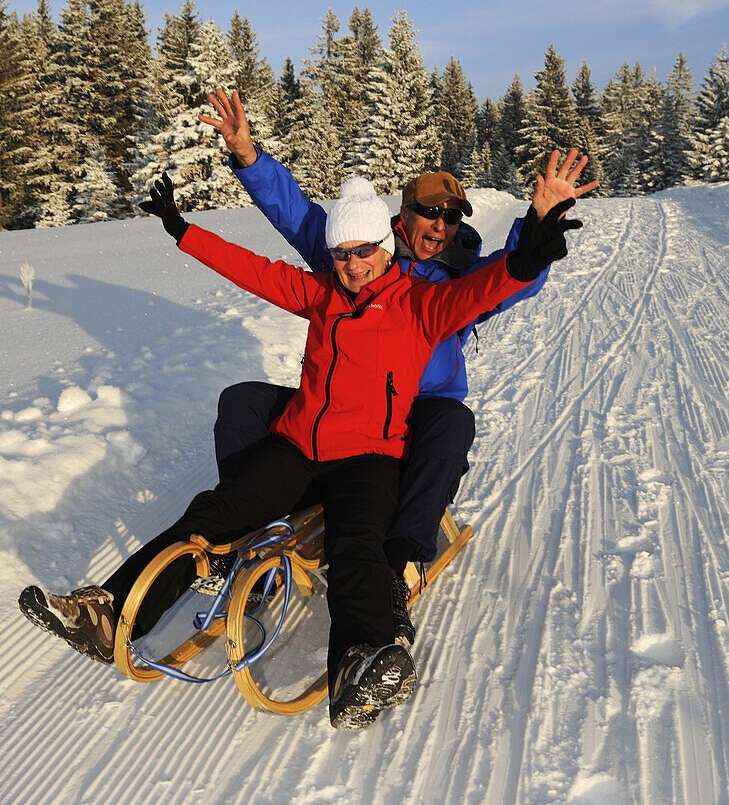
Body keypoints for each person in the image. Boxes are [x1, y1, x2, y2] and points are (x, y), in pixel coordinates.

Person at [18, 168, 585, 730]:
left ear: (385, 247)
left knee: (358, 546)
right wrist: (182, 231)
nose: (354, 265)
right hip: (298, 449)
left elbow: (486, 287)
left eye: (364, 251)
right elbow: (254, 271)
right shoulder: (321, 295)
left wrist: (529, 252)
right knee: (212, 514)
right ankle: (109, 611)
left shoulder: (421, 304)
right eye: (342, 254)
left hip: (369, 457)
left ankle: (360, 661)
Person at [197, 91, 598, 643]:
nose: (440, 225)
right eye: (429, 212)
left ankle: (399, 559)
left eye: (452, 217)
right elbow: (294, 213)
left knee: (452, 422)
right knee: (242, 401)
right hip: (347, 407)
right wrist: (247, 154)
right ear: (402, 215)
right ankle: (244, 532)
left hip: (415, 412)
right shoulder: (359, 253)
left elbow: (514, 276)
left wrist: (539, 221)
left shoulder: (460, 278)